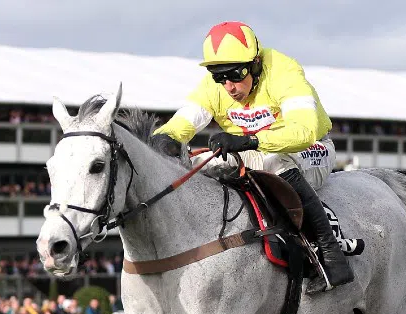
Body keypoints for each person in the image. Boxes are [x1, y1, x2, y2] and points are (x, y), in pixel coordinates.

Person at [151, 21, 353, 293]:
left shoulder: (284, 71)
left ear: (256, 63)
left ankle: (331, 255)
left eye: (235, 75)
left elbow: (304, 131)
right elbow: (182, 123)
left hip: (309, 150)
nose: (229, 87)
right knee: (197, 164)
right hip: (249, 152)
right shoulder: (218, 86)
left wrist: (251, 140)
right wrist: (163, 140)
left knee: (272, 160)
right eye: (219, 77)